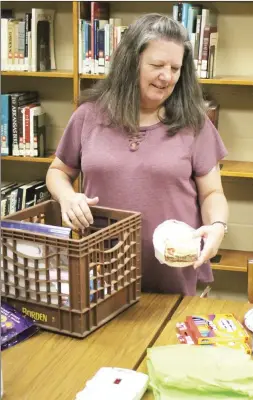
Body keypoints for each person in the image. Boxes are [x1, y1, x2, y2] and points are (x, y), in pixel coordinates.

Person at [46, 13, 229, 296]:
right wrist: (67, 197)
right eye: (157, 65)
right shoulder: (88, 117)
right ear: (131, 63)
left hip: (173, 271)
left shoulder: (195, 123)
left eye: (176, 68)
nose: (167, 76)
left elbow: (211, 193)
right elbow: (58, 171)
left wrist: (217, 226)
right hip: (102, 269)